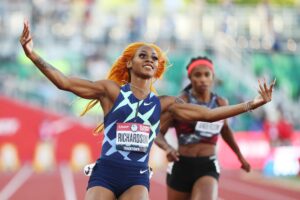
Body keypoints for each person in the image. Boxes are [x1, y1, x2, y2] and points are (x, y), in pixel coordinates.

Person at [19, 20, 275, 200]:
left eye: (154, 57)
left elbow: (208, 115)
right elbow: (64, 82)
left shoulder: (165, 104)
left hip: (137, 177)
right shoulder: (111, 91)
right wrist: (32, 55)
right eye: (143, 55)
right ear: (129, 63)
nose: (150, 59)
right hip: (106, 173)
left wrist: (252, 104)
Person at [154, 56, 254, 200]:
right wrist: (168, 148)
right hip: (181, 165)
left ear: (212, 77)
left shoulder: (220, 102)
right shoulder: (180, 102)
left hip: (207, 165)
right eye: (197, 75)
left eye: (207, 74)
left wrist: (240, 156)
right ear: (190, 78)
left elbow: (226, 131)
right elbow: (157, 132)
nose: (202, 79)